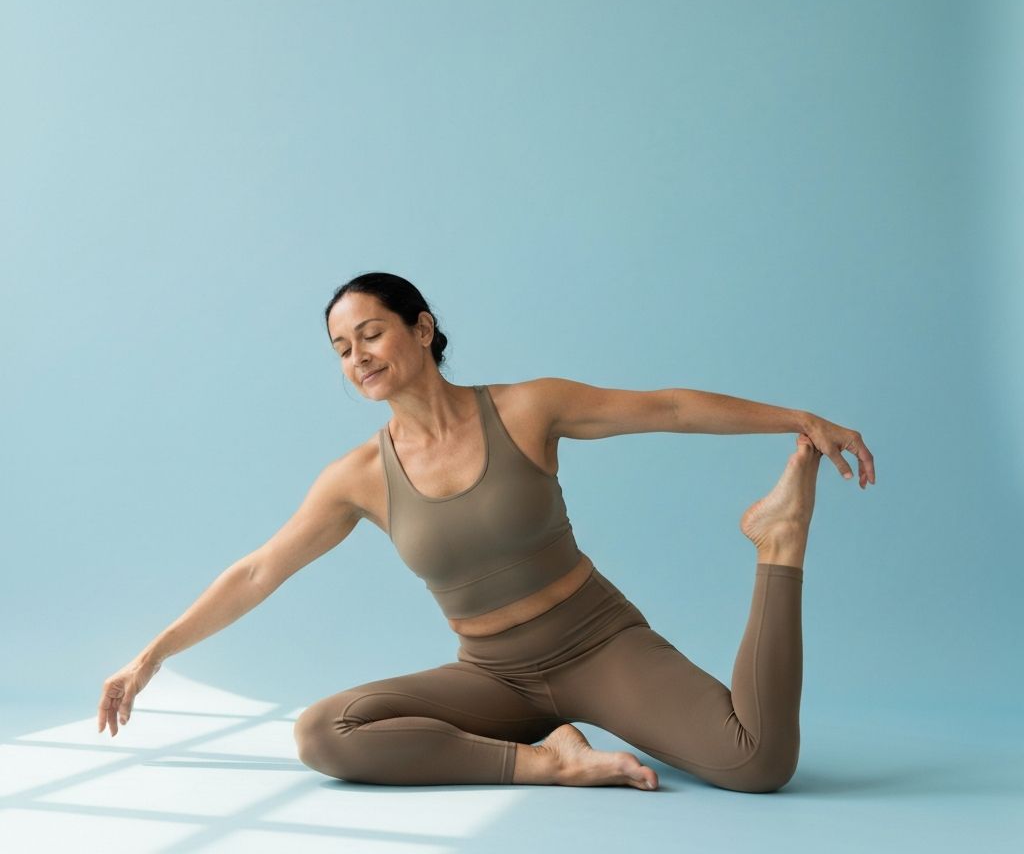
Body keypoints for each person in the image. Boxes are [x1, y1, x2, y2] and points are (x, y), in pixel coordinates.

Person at [98, 271, 875, 793]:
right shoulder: (356, 478)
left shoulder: (527, 409)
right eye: (341, 349)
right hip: (495, 679)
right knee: (324, 732)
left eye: (370, 334)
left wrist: (798, 418)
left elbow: (665, 407)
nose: (357, 357)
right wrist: (150, 656)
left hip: (599, 645)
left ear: (422, 328)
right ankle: (549, 762)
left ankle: (779, 540)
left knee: (760, 760)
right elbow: (258, 571)